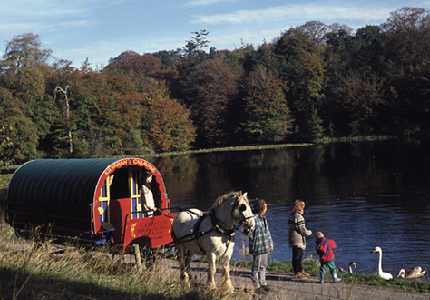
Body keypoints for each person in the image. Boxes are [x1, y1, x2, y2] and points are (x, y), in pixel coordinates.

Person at [248, 199, 273, 293]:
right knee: (256, 267)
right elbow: (247, 231)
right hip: (257, 247)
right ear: (261, 208)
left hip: (265, 246)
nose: (267, 208)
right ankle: (256, 286)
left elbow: (267, 232)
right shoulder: (253, 219)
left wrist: (270, 243)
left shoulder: (264, 219)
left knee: (263, 266)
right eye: (265, 206)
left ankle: (263, 283)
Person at [288, 200, 312, 278]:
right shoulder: (299, 217)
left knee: (295, 255)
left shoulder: (291, 215)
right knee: (298, 256)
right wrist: (309, 232)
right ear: (299, 208)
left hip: (292, 238)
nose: (303, 210)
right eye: (302, 208)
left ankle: (299, 270)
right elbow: (302, 229)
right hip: (298, 239)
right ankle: (298, 272)